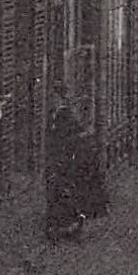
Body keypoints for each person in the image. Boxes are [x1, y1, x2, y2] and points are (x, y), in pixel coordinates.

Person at [44, 94, 105, 241]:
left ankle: (69, 226)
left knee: (71, 194)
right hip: (75, 163)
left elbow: (66, 141)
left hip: (74, 163)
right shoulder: (66, 115)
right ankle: (70, 225)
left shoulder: (64, 116)